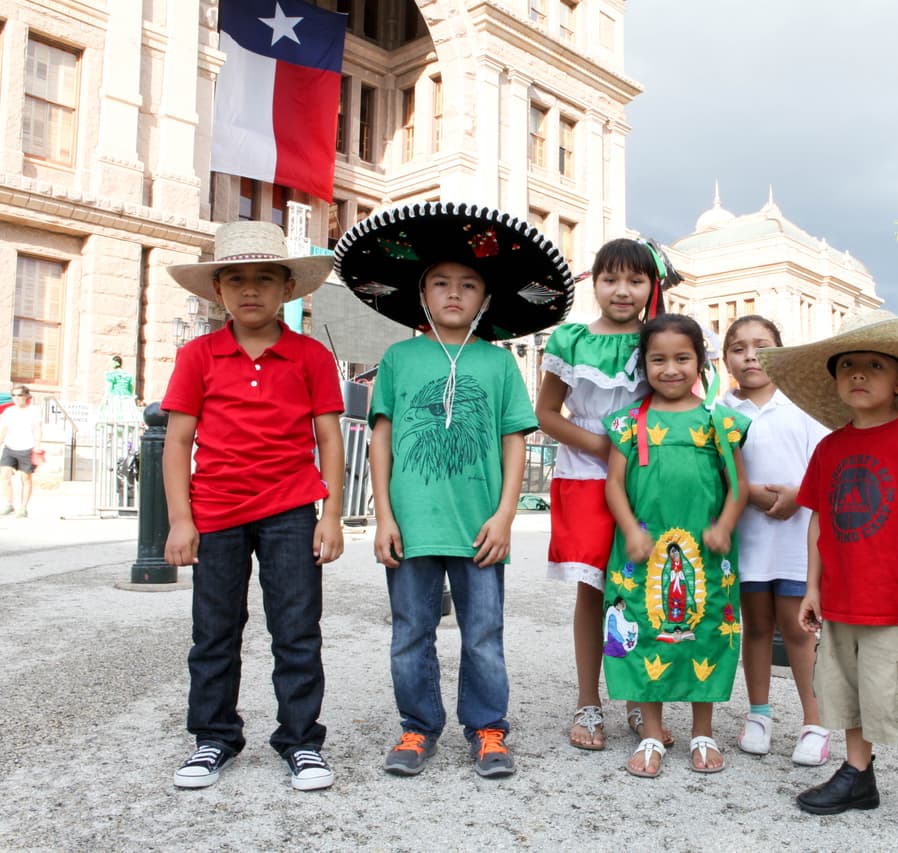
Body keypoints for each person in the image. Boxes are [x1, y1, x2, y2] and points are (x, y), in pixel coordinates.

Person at [334, 201, 573, 780]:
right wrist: (381, 515)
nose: (453, 293)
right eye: (440, 283)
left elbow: (516, 440)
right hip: (411, 526)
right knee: (410, 631)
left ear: (485, 299)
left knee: (483, 634)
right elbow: (380, 441)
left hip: (479, 527)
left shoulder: (497, 364)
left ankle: (488, 728)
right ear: (422, 294)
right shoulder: (398, 359)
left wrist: (506, 515)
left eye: (468, 284)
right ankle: (417, 727)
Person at [759, 310, 898, 853]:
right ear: (837, 382)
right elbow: (818, 519)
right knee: (848, 691)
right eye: (848, 367)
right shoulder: (831, 447)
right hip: (841, 599)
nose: (859, 375)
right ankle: (857, 775)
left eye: (874, 366)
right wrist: (812, 587)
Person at [161, 220, 346, 791]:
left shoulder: (310, 356)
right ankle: (214, 738)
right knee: (214, 631)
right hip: (215, 511)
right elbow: (176, 441)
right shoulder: (198, 355)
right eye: (236, 280)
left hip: (291, 509)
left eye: (264, 279)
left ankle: (300, 741)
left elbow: (330, 439)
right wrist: (179, 520)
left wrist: (332, 515)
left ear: (288, 288)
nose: (249, 290)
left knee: (296, 629)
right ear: (218, 292)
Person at [536, 237, 675, 751]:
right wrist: (605, 445)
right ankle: (588, 701)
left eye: (636, 280)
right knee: (592, 589)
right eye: (610, 279)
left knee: (641, 587)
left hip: (648, 475)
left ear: (650, 286)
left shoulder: (660, 338)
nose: (623, 290)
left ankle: (640, 699)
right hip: (585, 474)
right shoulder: (570, 340)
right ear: (592, 283)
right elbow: (546, 413)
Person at [602, 313, 749, 778]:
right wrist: (630, 529)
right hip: (642, 551)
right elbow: (613, 485)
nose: (670, 369)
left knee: (706, 631)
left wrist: (725, 524)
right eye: (658, 359)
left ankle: (703, 732)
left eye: (682, 358)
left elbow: (740, 485)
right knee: (644, 633)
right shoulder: (627, 424)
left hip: (708, 555)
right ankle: (651, 733)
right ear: (643, 364)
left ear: (700, 361)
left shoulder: (721, 422)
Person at [720, 315, 831, 765]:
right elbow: (717, 477)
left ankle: (815, 721)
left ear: (780, 352)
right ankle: (759, 714)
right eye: (739, 347)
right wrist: (747, 493)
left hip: (797, 543)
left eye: (761, 345)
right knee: (757, 628)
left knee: (800, 632)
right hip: (748, 543)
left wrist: (797, 495)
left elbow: (825, 471)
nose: (750, 355)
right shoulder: (721, 413)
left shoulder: (803, 407)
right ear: (725, 358)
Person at [0, 385, 42, 518]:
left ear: (26, 396)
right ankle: (9, 504)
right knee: (4, 475)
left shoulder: (33, 411)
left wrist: (37, 445)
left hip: (27, 448)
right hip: (10, 447)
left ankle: (23, 508)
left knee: (26, 478)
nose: (16, 398)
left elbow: (38, 429)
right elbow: (4, 429)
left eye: (19, 395)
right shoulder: (9, 411)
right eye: (14, 395)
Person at [101, 355, 140, 422]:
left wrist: (105, 399)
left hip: (115, 398)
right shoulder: (128, 375)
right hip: (127, 399)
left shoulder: (111, 375)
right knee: (127, 419)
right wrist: (130, 396)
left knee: (114, 418)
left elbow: (109, 388)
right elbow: (131, 388)